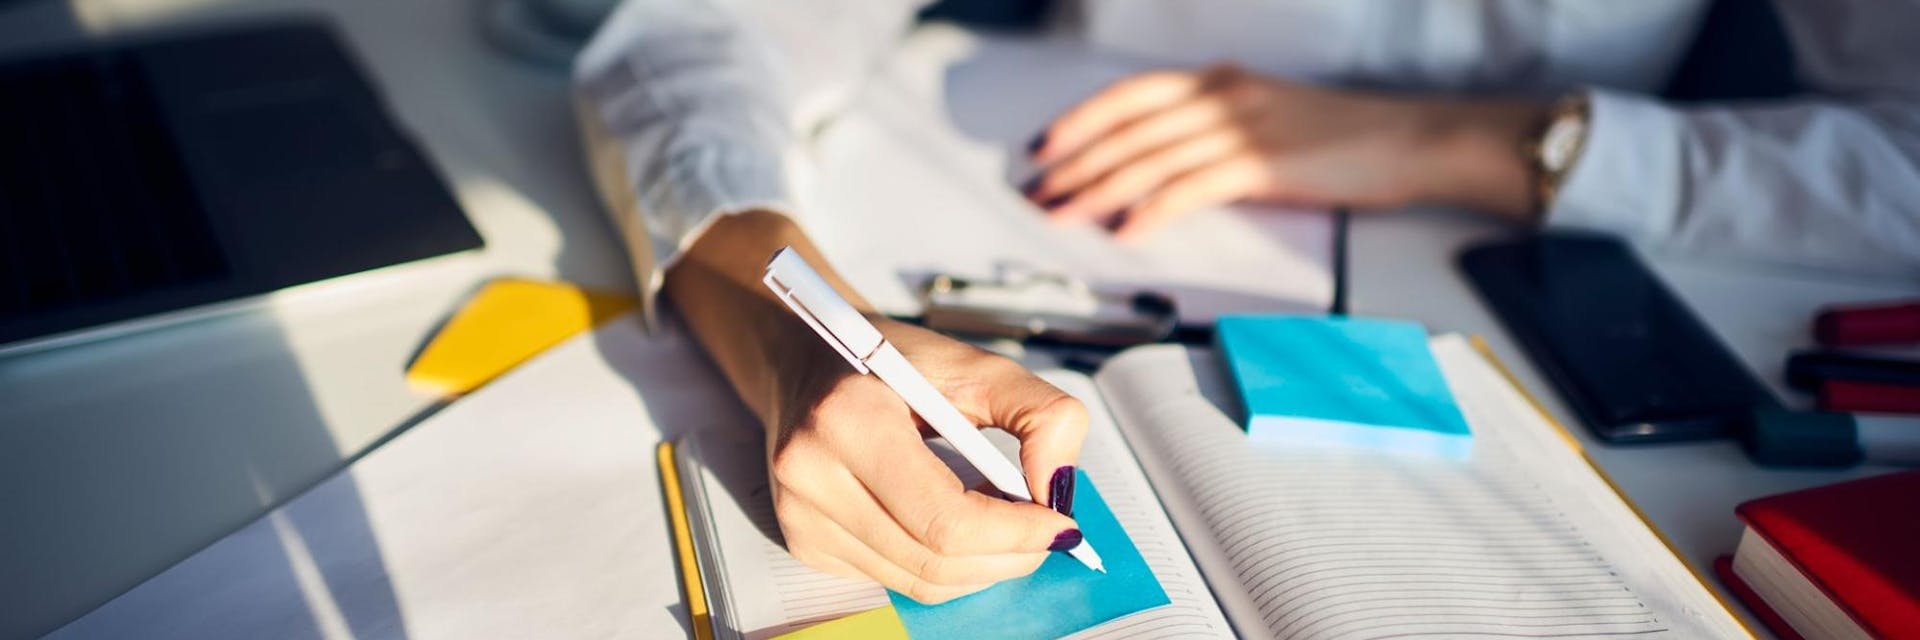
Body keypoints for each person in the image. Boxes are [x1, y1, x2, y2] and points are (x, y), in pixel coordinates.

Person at [572, 0, 1920, 603]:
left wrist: (1486, 144)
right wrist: (787, 337)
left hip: (1533, 320)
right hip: (1020, 205)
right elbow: (698, 31)